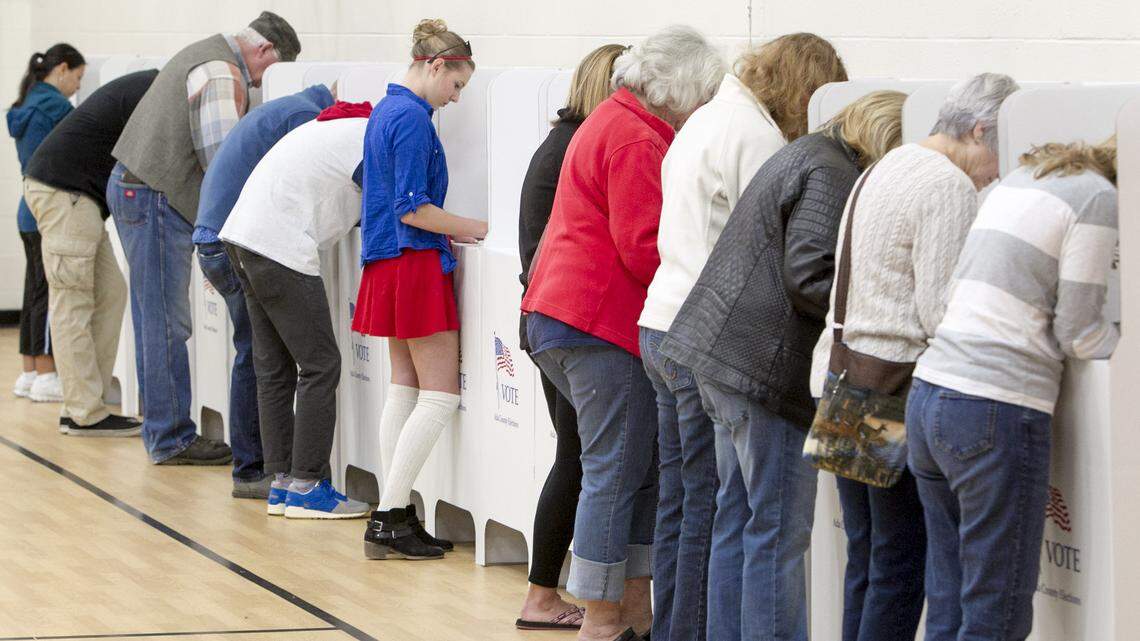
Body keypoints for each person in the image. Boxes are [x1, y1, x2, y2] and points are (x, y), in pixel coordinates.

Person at [663, 89, 905, 641]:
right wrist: (872, 307)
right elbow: (809, 274)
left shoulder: (806, 153)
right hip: (772, 369)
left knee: (738, 519)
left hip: (726, 356)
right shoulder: (833, 171)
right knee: (777, 531)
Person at [638, 33, 847, 641]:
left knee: (709, 509)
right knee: (766, 525)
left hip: (680, 327)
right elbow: (790, 258)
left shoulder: (704, 122)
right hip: (739, 347)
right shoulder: (764, 139)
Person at [522, 26, 725, 641]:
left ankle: (632, 609)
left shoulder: (610, 118)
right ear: (680, 89)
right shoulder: (637, 138)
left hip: (567, 315)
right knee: (615, 471)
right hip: (596, 321)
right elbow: (644, 248)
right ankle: (604, 619)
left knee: (635, 470)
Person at [808, 73, 1020, 641]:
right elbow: (938, 310)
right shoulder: (946, 185)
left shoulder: (887, 162)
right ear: (980, 131)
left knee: (867, 557)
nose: (997, 173)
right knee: (900, 565)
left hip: (845, 374)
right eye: (1000, 153)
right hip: (893, 383)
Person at [907, 138, 1119, 641]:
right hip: (994, 404)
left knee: (949, 603)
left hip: (930, 393)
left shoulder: (1022, 179)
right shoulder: (1097, 198)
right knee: (994, 614)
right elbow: (1079, 331)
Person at [107, 12, 300, 466]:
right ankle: (170, 438)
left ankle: (166, 431)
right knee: (165, 323)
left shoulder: (208, 55)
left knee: (160, 320)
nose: (261, 85)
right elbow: (223, 164)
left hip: (143, 188)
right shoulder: (219, 72)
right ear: (265, 52)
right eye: (270, 73)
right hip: (154, 194)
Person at [357, 19, 486, 560]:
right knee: (438, 395)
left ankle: (395, 510)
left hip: (386, 261)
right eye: (456, 86)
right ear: (435, 66)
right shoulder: (412, 119)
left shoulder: (385, 111)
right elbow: (413, 206)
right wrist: (472, 227)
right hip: (411, 262)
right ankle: (389, 515)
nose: (456, 99)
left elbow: (369, 182)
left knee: (404, 389)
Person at [514, 42, 626, 632]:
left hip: (548, 317)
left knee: (577, 459)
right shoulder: (582, 145)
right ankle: (547, 595)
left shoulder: (563, 141)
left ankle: (547, 592)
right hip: (569, 320)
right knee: (580, 461)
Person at [220, 100, 373, 520]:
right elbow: (388, 204)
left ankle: (282, 482)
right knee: (321, 364)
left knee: (274, 371)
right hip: (279, 246)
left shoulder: (333, 131)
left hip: (240, 238)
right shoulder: (369, 137)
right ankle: (308, 484)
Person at [195, 82, 336, 499]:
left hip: (218, 238)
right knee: (265, 359)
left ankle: (267, 473)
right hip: (239, 240)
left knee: (263, 359)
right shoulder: (303, 120)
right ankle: (255, 469)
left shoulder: (281, 109)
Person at [22, 69, 157, 437]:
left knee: (112, 291)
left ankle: (85, 404)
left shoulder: (147, 86)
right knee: (73, 302)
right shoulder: (155, 94)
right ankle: (83, 411)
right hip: (66, 194)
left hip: (77, 197)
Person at [6, 44, 85, 403]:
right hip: (49, 209)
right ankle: (47, 372)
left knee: (33, 291)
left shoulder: (26, 103)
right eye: (78, 78)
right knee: (51, 293)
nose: (77, 87)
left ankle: (29, 370)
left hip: (27, 207)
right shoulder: (56, 108)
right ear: (63, 70)